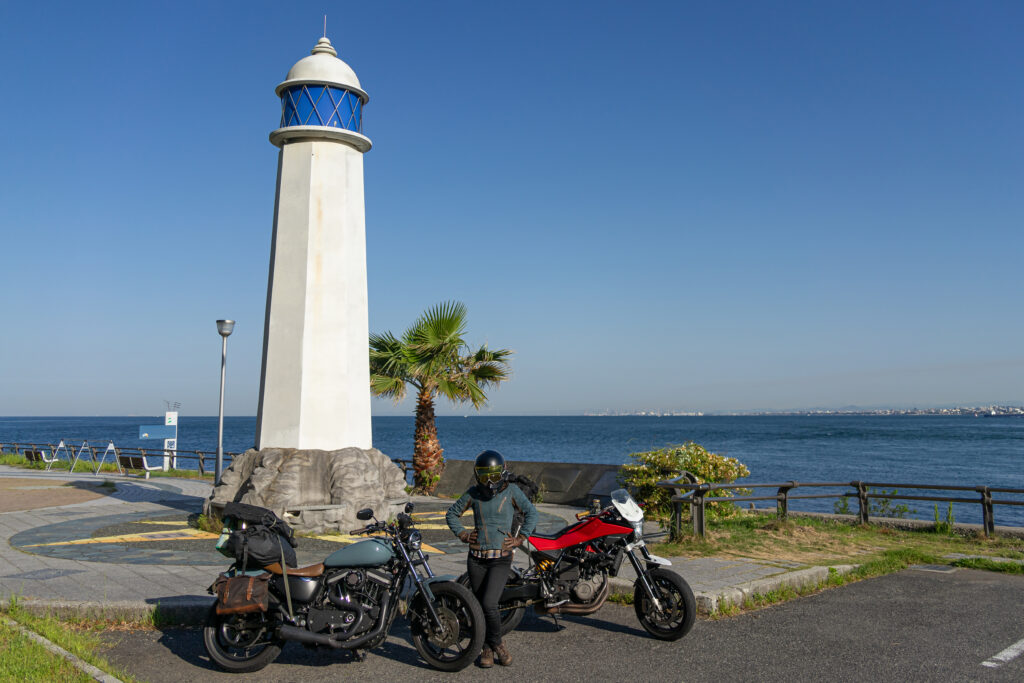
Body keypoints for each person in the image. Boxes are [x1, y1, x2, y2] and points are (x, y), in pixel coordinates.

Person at [446, 450, 538, 668]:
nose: (489, 481)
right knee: (479, 606)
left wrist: (520, 538)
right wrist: (464, 534)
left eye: (494, 475)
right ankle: (488, 648)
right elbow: (451, 514)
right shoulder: (473, 493)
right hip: (476, 559)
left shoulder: (512, 491)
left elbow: (531, 513)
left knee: (489, 603)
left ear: (502, 474)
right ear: (477, 475)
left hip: (500, 559)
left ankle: (498, 644)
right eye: (484, 475)